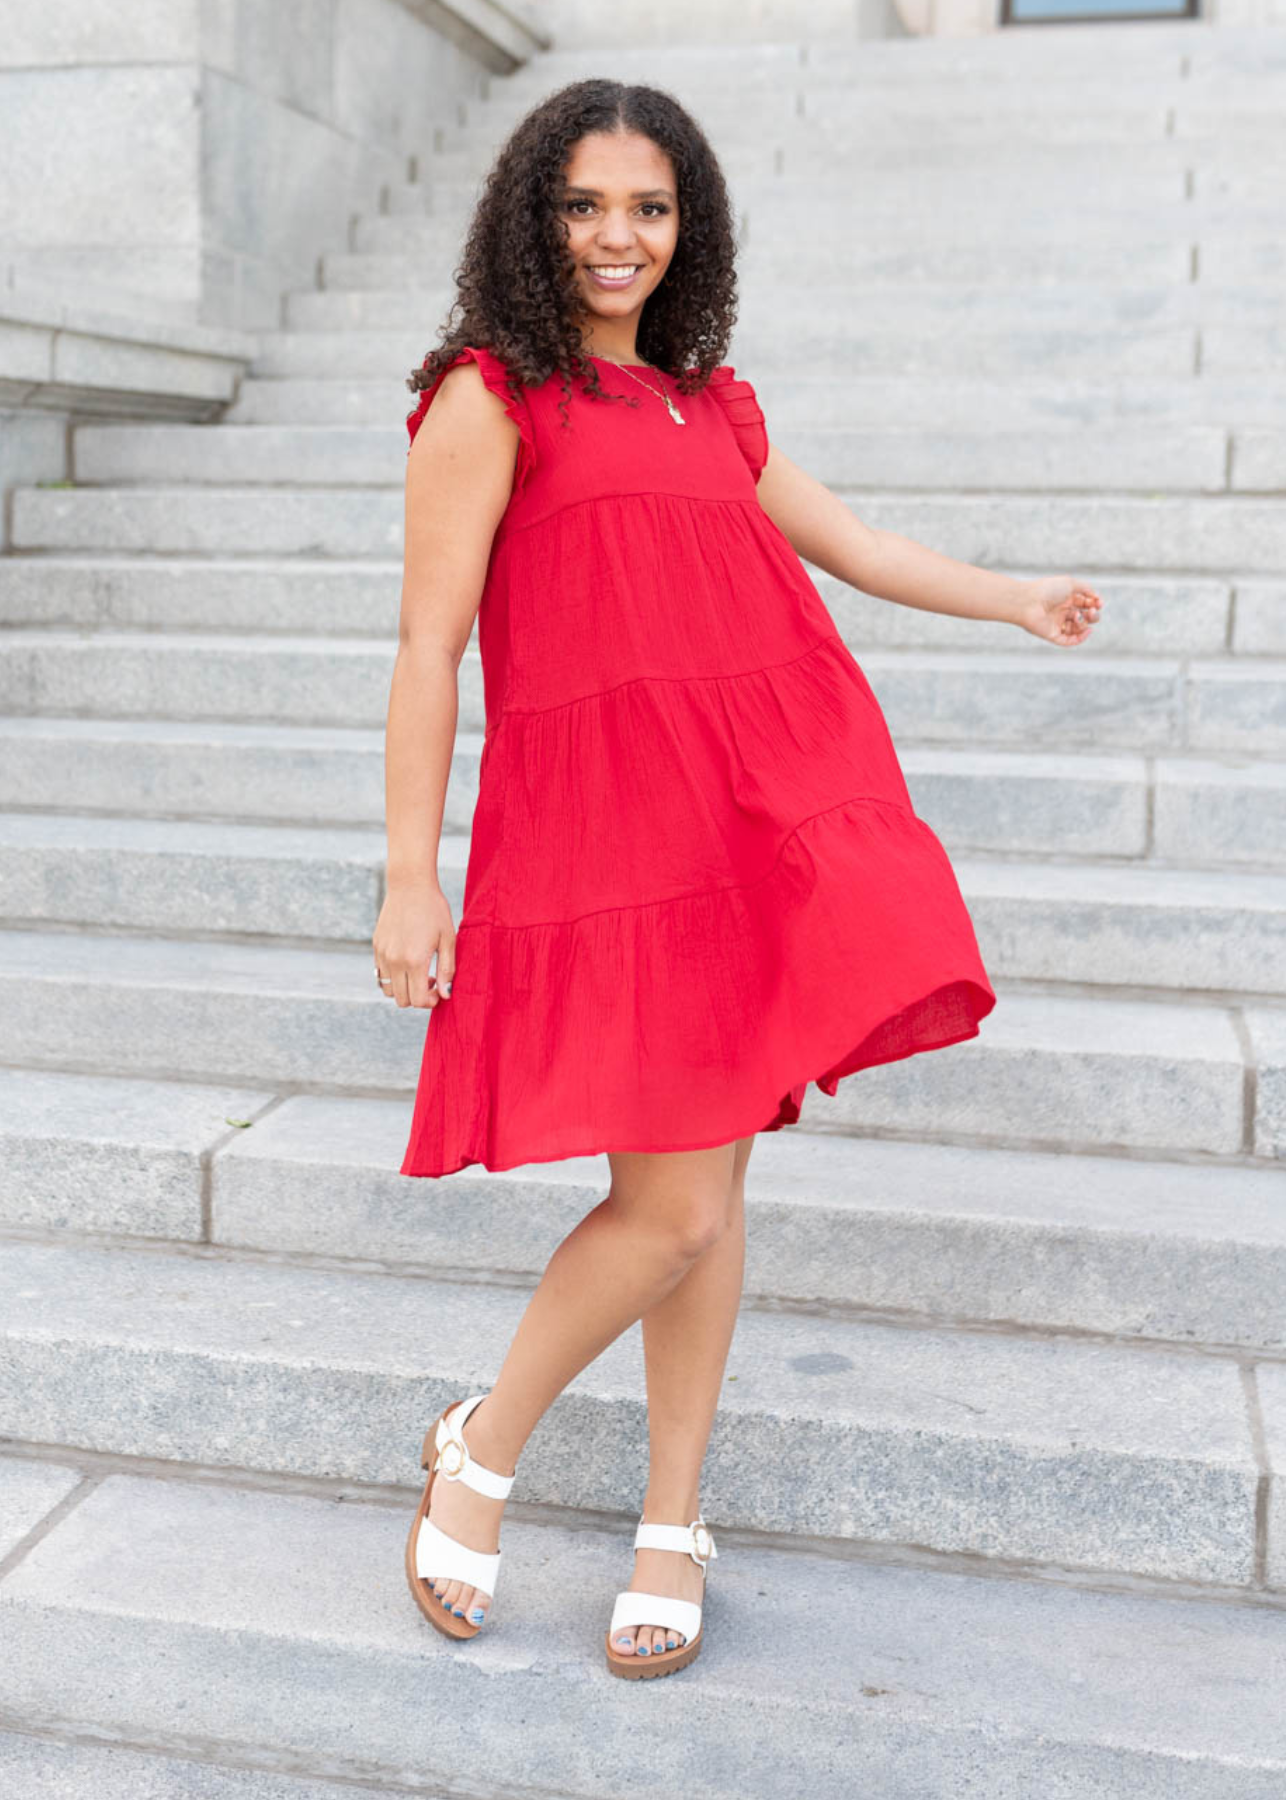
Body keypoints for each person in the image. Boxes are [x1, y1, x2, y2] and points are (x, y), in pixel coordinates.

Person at [373, 79, 1102, 1681]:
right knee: (673, 1205)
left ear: (684, 223)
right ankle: (478, 1447)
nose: (614, 237)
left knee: (703, 1204)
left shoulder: (715, 407)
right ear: (530, 220)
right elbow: (426, 646)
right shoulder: (489, 398)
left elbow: (845, 544)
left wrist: (1012, 596)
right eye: (580, 207)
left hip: (734, 834)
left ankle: (669, 1518)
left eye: (646, 207)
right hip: (599, 848)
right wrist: (408, 878)